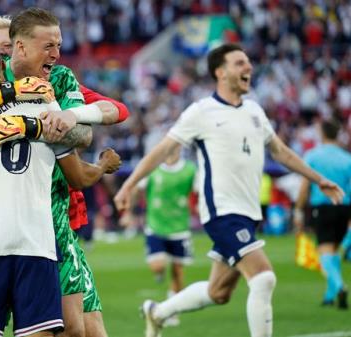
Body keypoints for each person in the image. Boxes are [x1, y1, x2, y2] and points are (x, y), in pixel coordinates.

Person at [113, 43, 344, 337]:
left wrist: (317, 179)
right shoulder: (201, 112)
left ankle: (157, 313)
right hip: (222, 211)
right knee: (263, 278)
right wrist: (130, 185)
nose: (248, 67)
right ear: (220, 73)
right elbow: (163, 150)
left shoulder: (255, 111)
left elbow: (281, 152)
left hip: (248, 213)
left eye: (247, 62)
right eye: (239, 63)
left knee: (218, 291)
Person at [0, 9, 128, 337]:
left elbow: (101, 122)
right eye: (48, 45)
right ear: (15, 49)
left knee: (78, 329)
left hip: (51, 216)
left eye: (58, 45)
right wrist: (16, 95)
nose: (56, 53)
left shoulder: (58, 81)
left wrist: (57, 120)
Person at [123, 145, 196, 326]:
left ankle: (171, 311)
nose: (172, 151)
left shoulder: (190, 170)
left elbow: (198, 193)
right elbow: (136, 190)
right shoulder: (152, 168)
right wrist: (128, 213)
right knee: (158, 266)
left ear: (179, 150)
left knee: (178, 272)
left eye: (175, 148)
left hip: (180, 228)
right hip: (155, 226)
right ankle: (159, 272)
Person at [293, 118, 351, 309]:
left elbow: (304, 187)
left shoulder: (313, 156)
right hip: (344, 207)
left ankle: (340, 286)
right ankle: (330, 294)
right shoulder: (347, 158)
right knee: (334, 251)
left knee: (325, 251)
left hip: (323, 208)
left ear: (323, 134)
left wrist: (299, 210)